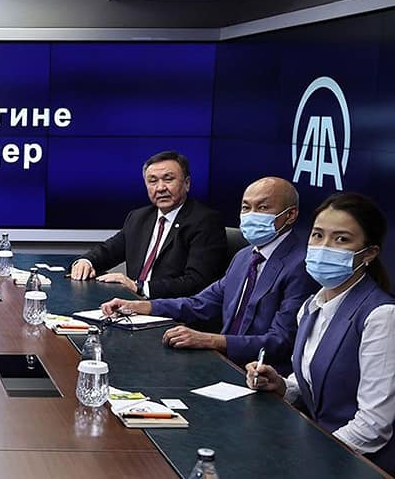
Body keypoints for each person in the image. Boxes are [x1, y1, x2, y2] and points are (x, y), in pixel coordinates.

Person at [100, 177, 319, 373]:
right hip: (224, 363)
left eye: (262, 207)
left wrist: (210, 340)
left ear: (290, 215)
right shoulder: (245, 256)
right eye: (246, 207)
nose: (251, 215)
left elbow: (280, 342)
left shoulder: (301, 265)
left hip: (263, 374)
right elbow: (201, 304)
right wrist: (142, 306)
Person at [247, 192, 395, 474]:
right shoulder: (311, 306)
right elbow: (314, 383)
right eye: (317, 235)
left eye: (341, 239)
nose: (324, 246)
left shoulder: (382, 316)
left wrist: (308, 456)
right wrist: (281, 385)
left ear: (369, 253)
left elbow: (374, 425)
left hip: (357, 464)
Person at [70, 150, 227, 298]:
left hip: (173, 310)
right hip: (132, 306)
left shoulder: (206, 221)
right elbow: (108, 251)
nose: (160, 188)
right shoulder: (139, 217)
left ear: (187, 183)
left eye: (168, 179)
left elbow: (197, 282)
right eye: (153, 181)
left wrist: (140, 287)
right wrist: (86, 261)